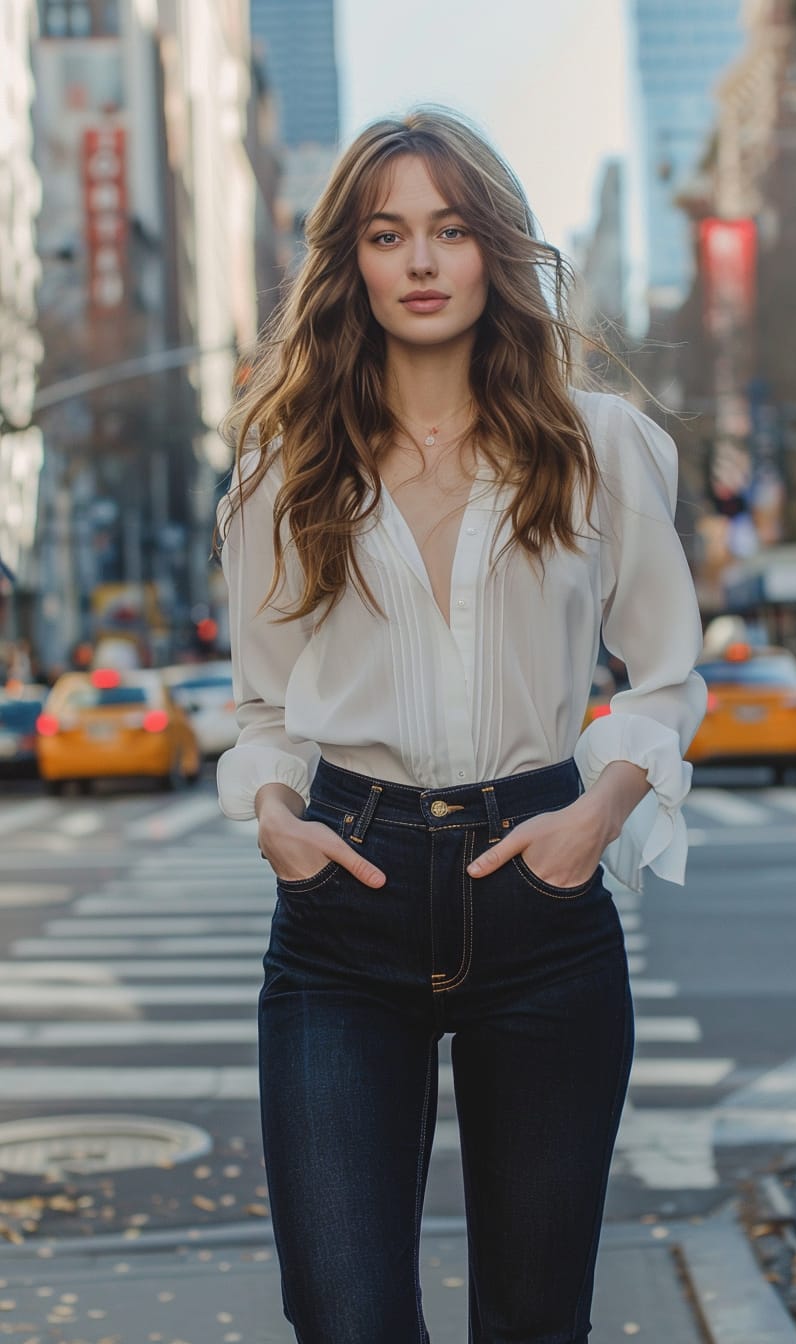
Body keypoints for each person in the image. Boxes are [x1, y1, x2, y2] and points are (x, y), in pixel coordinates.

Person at [215, 108, 707, 1344]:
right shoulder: (286, 466)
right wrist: (276, 817)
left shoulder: (596, 447)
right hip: (344, 902)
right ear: (353, 262)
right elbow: (265, 706)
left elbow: (662, 678)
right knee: (343, 1318)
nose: (421, 262)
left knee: (535, 1326)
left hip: (538, 898)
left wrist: (593, 818)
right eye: (388, 235)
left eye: (449, 230)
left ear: (494, 250)